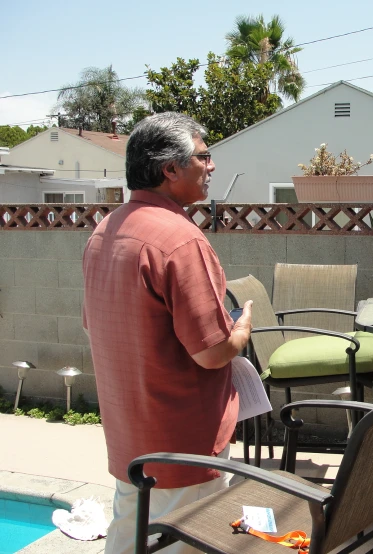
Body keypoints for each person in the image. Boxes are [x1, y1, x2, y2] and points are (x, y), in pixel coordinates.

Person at [82, 112, 254, 554]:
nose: (211, 166)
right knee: (185, 540)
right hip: (182, 443)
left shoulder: (106, 231)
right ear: (170, 169)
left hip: (130, 438)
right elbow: (213, 353)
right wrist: (242, 327)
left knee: (129, 533)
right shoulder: (180, 239)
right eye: (204, 156)